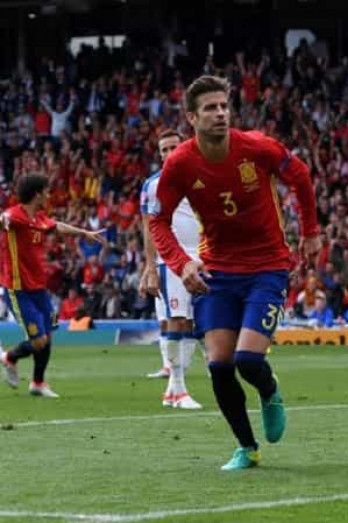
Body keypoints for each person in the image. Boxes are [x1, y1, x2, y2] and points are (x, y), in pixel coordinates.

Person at [149, 75, 320, 471]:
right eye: (210, 108)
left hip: (267, 267)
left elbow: (300, 175)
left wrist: (311, 231)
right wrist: (182, 263)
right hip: (217, 271)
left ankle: (269, 390)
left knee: (247, 360)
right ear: (192, 118)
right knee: (219, 365)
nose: (221, 113)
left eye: (224, 106)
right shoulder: (180, 163)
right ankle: (247, 447)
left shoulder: (257, 147)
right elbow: (158, 221)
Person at [0, 172, 106, 397]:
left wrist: (84, 233)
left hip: (40, 290)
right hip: (19, 291)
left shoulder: (39, 218)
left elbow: (57, 226)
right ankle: (9, 357)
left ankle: (38, 383)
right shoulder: (14, 216)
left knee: (49, 334)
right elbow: (3, 220)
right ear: (37, 193)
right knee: (39, 341)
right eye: (46, 191)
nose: (49, 195)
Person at [139, 129, 202, 410]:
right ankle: (178, 389)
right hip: (172, 260)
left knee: (190, 323)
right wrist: (150, 267)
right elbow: (148, 228)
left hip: (201, 258)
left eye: (173, 147)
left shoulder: (202, 175)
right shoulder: (153, 185)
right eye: (163, 149)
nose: (168, 153)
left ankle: (173, 391)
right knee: (176, 319)